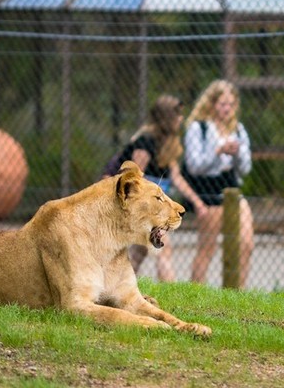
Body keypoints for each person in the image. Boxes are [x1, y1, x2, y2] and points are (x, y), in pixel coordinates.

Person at [102, 94, 207, 281]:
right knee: (164, 247)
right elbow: (133, 180)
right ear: (166, 118)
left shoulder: (168, 144)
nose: (181, 119)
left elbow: (177, 178)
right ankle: (172, 293)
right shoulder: (145, 142)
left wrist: (197, 202)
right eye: (177, 115)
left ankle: (119, 286)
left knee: (138, 254)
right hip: (131, 205)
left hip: (151, 206)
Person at [183, 79, 254, 288]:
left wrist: (237, 152)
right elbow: (194, 166)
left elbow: (246, 169)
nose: (228, 109)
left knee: (246, 243)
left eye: (231, 104)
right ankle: (196, 294)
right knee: (208, 248)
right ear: (212, 104)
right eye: (223, 104)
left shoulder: (238, 130)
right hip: (208, 189)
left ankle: (237, 295)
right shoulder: (199, 128)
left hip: (231, 188)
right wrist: (218, 152)